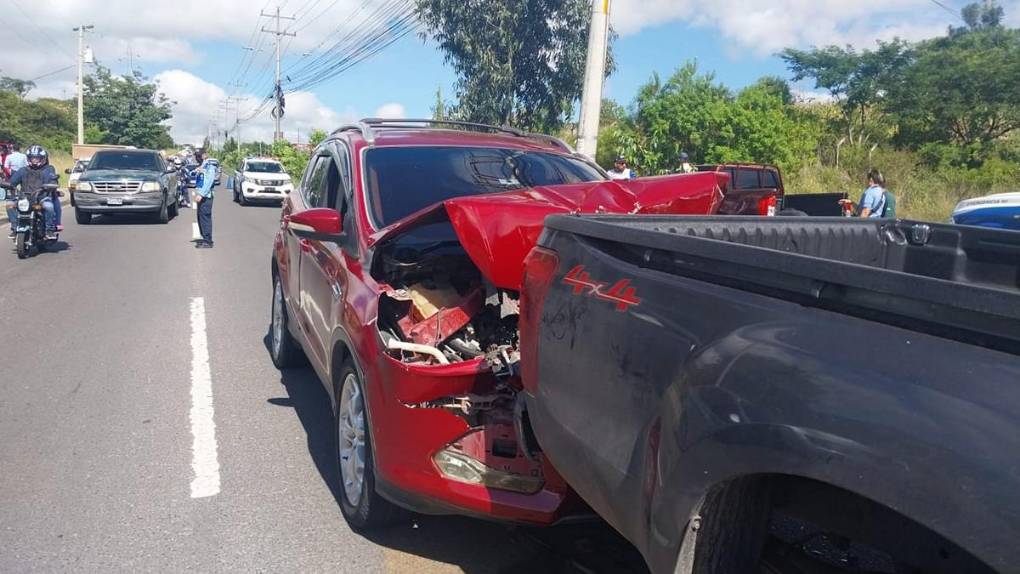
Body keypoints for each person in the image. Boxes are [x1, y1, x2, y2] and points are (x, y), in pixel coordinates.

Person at [6, 145, 59, 239]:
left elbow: (53, 180)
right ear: (28, 158)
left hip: (42, 198)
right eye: (32, 157)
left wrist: (51, 185)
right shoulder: (23, 170)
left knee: (49, 207)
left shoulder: (48, 169)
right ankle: (15, 228)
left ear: (42, 158)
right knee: (10, 206)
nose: (34, 160)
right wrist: (6, 184)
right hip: (24, 198)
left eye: (37, 158)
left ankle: (49, 230)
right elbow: (12, 182)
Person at [194, 158, 216, 248]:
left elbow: (208, 182)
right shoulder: (203, 166)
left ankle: (208, 241)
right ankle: (204, 238)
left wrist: (201, 194)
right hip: (202, 195)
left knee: (205, 218)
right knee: (200, 217)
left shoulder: (209, 167)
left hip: (206, 197)